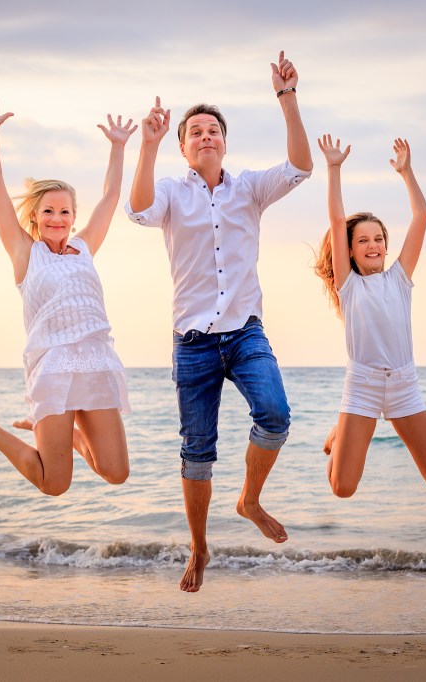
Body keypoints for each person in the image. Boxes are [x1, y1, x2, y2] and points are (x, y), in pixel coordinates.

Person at [127, 51, 313, 592]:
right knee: (197, 450)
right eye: (195, 132)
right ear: (183, 146)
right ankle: (199, 547)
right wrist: (147, 143)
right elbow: (137, 208)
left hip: (245, 332)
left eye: (213, 130)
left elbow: (300, 166)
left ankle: (250, 499)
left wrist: (287, 97)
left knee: (276, 415)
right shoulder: (169, 191)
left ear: (224, 142)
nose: (206, 136)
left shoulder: (249, 188)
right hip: (193, 344)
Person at [0, 99, 136, 496]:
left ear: (73, 216)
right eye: (49, 211)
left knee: (116, 472)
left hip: (96, 360)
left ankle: (60, 435)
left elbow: (112, 195)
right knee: (54, 483)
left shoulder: (84, 248)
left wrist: (118, 146)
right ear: (35, 216)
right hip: (53, 366)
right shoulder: (24, 253)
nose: (57, 219)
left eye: (65, 212)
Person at [313, 133, 426, 499]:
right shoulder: (349, 285)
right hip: (362, 387)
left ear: (386, 246)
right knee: (342, 489)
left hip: (404, 385)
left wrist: (407, 173)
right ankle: (342, 431)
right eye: (362, 240)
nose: (373, 245)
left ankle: (339, 431)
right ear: (351, 252)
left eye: (378, 239)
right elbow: (337, 216)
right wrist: (333, 167)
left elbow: (422, 215)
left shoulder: (400, 279)